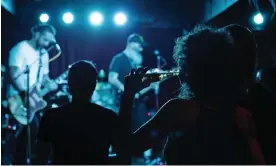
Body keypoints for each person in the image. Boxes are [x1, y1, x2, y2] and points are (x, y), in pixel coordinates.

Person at [119, 24, 265, 164]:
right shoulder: (242, 115)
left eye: (184, 65)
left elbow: (127, 146)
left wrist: (128, 95)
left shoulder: (178, 111)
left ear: (191, 68)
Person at [35, 60, 123, 165]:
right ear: (94, 85)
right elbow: (124, 155)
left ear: (68, 85)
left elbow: (40, 159)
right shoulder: (108, 117)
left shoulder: (50, 117)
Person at [7, 24, 58, 164]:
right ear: (37, 34)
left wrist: (50, 84)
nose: (47, 44)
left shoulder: (44, 54)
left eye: (49, 41)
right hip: (18, 98)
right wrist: (25, 95)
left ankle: (36, 159)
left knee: (43, 126)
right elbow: (14, 73)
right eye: (45, 39)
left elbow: (45, 77)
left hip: (34, 97)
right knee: (32, 128)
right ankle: (20, 160)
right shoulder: (20, 49)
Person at [109, 34, 150, 130]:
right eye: (140, 45)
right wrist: (128, 90)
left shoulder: (136, 62)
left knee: (141, 128)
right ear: (131, 44)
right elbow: (112, 78)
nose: (142, 49)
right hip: (123, 102)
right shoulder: (119, 59)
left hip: (138, 102)